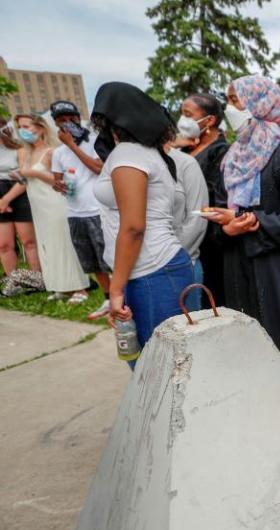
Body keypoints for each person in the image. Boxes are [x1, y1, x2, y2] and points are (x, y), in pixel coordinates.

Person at [207, 75, 280, 373]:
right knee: (251, 351)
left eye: (236, 101)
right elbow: (224, 214)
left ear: (257, 105)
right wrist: (227, 227)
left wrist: (255, 221)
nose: (230, 108)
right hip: (241, 269)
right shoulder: (231, 160)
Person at [90, 83, 193, 363]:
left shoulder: (128, 154)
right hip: (161, 268)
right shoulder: (153, 154)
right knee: (176, 367)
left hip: (151, 272)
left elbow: (134, 226)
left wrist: (116, 289)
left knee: (158, 371)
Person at [49, 100, 112, 319]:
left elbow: (98, 168)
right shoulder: (58, 153)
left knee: (109, 258)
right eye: (62, 121)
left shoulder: (95, 141)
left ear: (78, 117)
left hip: (98, 210)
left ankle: (123, 296)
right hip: (75, 212)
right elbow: (56, 179)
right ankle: (108, 298)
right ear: (56, 124)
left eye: (71, 119)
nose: (68, 124)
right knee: (92, 262)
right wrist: (58, 184)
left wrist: (72, 146)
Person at [15, 113, 88, 300]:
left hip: (55, 202)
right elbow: (25, 178)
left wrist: (34, 172)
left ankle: (79, 287)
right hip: (38, 205)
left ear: (40, 128)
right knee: (47, 244)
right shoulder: (26, 153)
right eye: (19, 127)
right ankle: (60, 286)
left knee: (64, 242)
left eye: (26, 126)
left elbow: (60, 181)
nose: (22, 130)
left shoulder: (52, 152)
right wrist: (23, 173)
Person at [177, 93, 230, 307]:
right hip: (182, 232)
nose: (183, 120)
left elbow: (217, 198)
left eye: (188, 115)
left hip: (209, 239)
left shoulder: (220, 152)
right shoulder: (186, 148)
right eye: (182, 114)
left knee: (210, 298)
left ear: (209, 121)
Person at [0, 117, 41, 293]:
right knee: (4, 244)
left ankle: (37, 280)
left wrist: (6, 199)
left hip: (18, 194)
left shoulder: (19, 148)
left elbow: (25, 177)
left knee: (28, 241)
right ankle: (13, 281)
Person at [166, 143, 208, 311]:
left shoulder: (185, 164)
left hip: (181, 263)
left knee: (187, 329)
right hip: (141, 269)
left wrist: (169, 258)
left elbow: (197, 218)